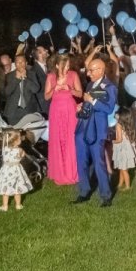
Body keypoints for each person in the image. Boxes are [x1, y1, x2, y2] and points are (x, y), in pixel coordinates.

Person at [73, 57, 118, 207]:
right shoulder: (91, 84)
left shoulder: (110, 87)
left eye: (91, 70)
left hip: (97, 130)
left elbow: (109, 108)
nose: (88, 73)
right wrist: (82, 107)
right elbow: (88, 106)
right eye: (88, 70)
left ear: (101, 70)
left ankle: (106, 195)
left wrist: (92, 101)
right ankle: (84, 191)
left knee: (99, 163)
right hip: (82, 128)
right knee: (81, 161)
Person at [45, 53, 82, 185]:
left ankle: (72, 172)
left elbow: (80, 93)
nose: (67, 68)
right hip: (56, 111)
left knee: (71, 139)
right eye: (64, 66)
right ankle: (59, 173)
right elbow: (46, 97)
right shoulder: (51, 77)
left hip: (70, 109)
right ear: (56, 66)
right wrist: (55, 88)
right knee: (58, 139)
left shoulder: (73, 75)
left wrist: (70, 89)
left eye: (68, 65)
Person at [0, 130, 33, 210]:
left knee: (5, 189)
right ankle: (18, 205)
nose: (21, 139)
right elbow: (22, 157)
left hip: (6, 170)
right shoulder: (20, 150)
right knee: (17, 189)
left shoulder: (5, 149)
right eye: (20, 139)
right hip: (16, 170)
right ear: (16, 141)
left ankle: (5, 206)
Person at [1, 54, 43, 126]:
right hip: (13, 111)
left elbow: (36, 89)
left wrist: (25, 78)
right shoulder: (9, 76)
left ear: (26, 63)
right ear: (15, 63)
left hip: (29, 110)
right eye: (18, 62)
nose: (20, 64)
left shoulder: (32, 74)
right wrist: (16, 79)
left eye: (22, 62)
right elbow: (6, 92)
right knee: (15, 135)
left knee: (29, 135)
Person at [112, 107, 136, 190]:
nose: (115, 113)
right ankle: (120, 183)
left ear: (121, 116)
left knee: (123, 169)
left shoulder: (118, 125)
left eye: (117, 113)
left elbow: (119, 139)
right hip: (126, 148)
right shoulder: (126, 124)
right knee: (122, 168)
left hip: (122, 149)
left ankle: (127, 186)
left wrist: (112, 141)